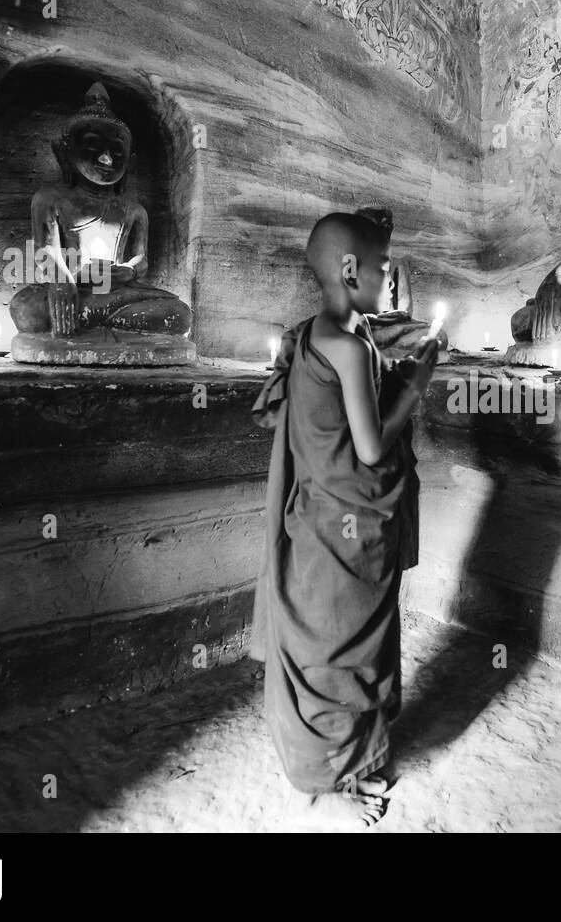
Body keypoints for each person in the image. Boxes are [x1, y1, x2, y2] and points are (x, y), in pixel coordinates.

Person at [249, 211, 440, 829]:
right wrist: (416, 383)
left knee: (330, 647)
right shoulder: (349, 345)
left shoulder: (313, 335)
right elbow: (369, 449)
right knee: (343, 651)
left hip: (320, 528)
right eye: (385, 267)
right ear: (352, 269)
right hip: (347, 533)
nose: (391, 279)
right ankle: (340, 776)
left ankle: (349, 760)